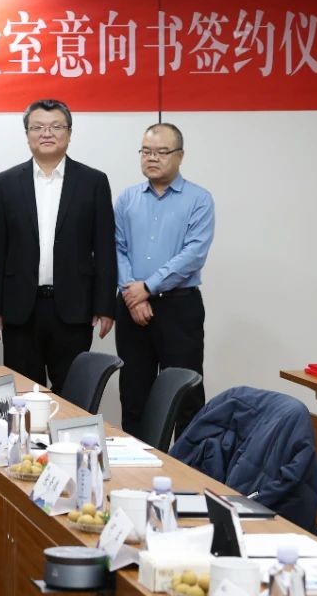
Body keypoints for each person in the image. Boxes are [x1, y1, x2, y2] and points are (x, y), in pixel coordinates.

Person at [0, 99, 116, 393]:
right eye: (38, 127)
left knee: (72, 394)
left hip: (74, 308)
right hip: (20, 308)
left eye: (56, 126)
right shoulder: (5, 182)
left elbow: (105, 247)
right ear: (27, 134)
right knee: (21, 395)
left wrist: (105, 305)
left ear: (69, 133)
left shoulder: (93, 181)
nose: (47, 133)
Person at [115, 123, 215, 437]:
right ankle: (138, 462)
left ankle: (189, 461)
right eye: (146, 151)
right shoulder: (127, 198)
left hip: (178, 307)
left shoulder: (199, 199)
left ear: (180, 156)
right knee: (134, 395)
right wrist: (132, 294)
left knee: (185, 395)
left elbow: (194, 254)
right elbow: (116, 248)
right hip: (131, 308)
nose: (152, 158)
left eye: (161, 152)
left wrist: (147, 287)